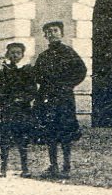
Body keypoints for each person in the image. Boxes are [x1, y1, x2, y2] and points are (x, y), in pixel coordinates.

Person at [32, 20, 88, 178]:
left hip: (64, 98)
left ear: (61, 33)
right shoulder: (43, 56)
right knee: (50, 131)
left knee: (65, 130)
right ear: (45, 36)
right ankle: (53, 165)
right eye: (49, 31)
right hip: (47, 97)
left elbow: (81, 71)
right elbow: (36, 75)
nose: (52, 34)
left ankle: (66, 165)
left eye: (55, 30)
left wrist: (67, 85)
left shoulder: (69, 53)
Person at [0, 41, 37, 177]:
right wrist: (4, 101)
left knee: (22, 140)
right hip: (7, 110)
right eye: (12, 52)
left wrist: (23, 99)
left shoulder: (27, 71)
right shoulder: (3, 72)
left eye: (18, 53)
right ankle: (3, 169)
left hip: (22, 111)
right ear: (7, 54)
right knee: (5, 141)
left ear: (22, 55)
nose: (15, 55)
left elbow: (32, 90)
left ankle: (25, 169)